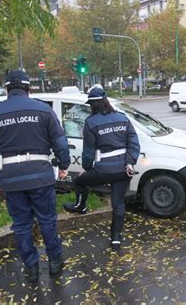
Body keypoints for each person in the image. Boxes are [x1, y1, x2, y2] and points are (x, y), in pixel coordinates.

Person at [0, 70, 71, 282]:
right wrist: (63, 165)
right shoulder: (43, 110)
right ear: (28, 87)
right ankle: (55, 261)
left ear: (7, 88)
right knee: (47, 221)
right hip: (41, 176)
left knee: (21, 225)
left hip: (11, 179)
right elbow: (60, 142)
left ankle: (31, 267)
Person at [63, 85, 140, 250]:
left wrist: (87, 167)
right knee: (118, 204)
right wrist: (130, 162)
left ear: (92, 105)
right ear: (105, 101)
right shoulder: (122, 118)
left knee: (79, 182)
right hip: (123, 170)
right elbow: (134, 143)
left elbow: (88, 152)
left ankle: (80, 206)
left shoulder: (91, 122)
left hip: (103, 171)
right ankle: (116, 238)